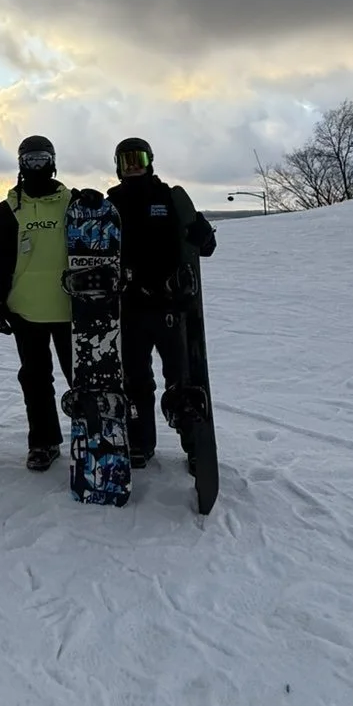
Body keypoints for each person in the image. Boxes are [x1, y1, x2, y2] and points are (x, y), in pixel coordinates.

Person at [107, 137, 216, 467]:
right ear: (118, 166)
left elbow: (205, 246)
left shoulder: (169, 198)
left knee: (181, 380)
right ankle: (140, 442)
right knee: (136, 381)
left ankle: (194, 444)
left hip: (170, 305)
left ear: (149, 160)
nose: (133, 165)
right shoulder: (110, 203)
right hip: (130, 308)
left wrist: (201, 233)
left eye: (138, 158)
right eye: (126, 160)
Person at [0, 135, 72, 471]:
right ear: (21, 164)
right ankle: (43, 441)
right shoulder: (8, 210)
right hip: (26, 309)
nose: (36, 165)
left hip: (70, 308)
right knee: (36, 379)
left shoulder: (73, 203)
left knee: (81, 378)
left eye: (42, 158)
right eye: (30, 160)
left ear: (52, 161)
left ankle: (93, 434)